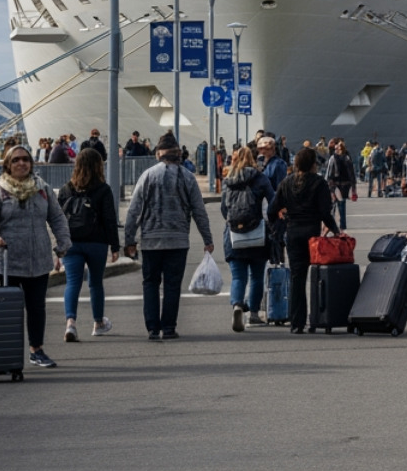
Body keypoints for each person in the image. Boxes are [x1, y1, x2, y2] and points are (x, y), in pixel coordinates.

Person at [0, 145, 72, 368]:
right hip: (7, 261)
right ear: (7, 165)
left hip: (38, 260)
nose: (21, 163)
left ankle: (36, 350)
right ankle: (7, 353)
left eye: (25, 159)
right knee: (9, 310)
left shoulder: (43, 189)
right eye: (16, 160)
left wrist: (63, 242)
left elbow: (57, 217)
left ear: (31, 163)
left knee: (36, 307)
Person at [124, 133, 214, 341]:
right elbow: (199, 211)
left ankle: (152, 328)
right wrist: (207, 239)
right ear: (178, 155)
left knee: (150, 283)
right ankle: (169, 327)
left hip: (151, 240)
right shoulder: (187, 177)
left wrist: (129, 240)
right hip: (178, 240)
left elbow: (134, 210)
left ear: (159, 154)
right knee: (172, 285)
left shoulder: (147, 176)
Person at [268, 146, 341, 334]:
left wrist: (279, 222)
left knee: (297, 278)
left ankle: (296, 322)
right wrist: (335, 230)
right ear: (312, 164)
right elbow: (325, 212)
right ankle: (317, 318)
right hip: (313, 235)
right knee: (317, 276)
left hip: (293, 233)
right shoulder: (319, 183)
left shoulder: (286, 182)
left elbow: (271, 210)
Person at [57, 148, 121, 341]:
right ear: (98, 166)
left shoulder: (66, 189)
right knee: (95, 283)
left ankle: (70, 323)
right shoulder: (103, 189)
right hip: (97, 242)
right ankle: (98, 323)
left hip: (71, 243)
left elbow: (58, 220)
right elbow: (110, 220)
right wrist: (115, 246)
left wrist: (59, 248)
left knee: (72, 283)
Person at [221, 145, 275, 332]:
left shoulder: (228, 179)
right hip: (257, 233)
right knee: (257, 276)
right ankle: (253, 314)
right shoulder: (260, 178)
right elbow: (273, 202)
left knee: (238, 276)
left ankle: (237, 304)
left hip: (234, 235)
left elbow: (224, 209)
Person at [325, 139, 355, 227]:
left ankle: (337, 225)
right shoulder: (345, 158)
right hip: (340, 185)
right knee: (339, 204)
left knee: (337, 204)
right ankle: (340, 225)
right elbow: (351, 173)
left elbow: (329, 173)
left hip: (339, 184)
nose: (337, 149)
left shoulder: (337, 158)